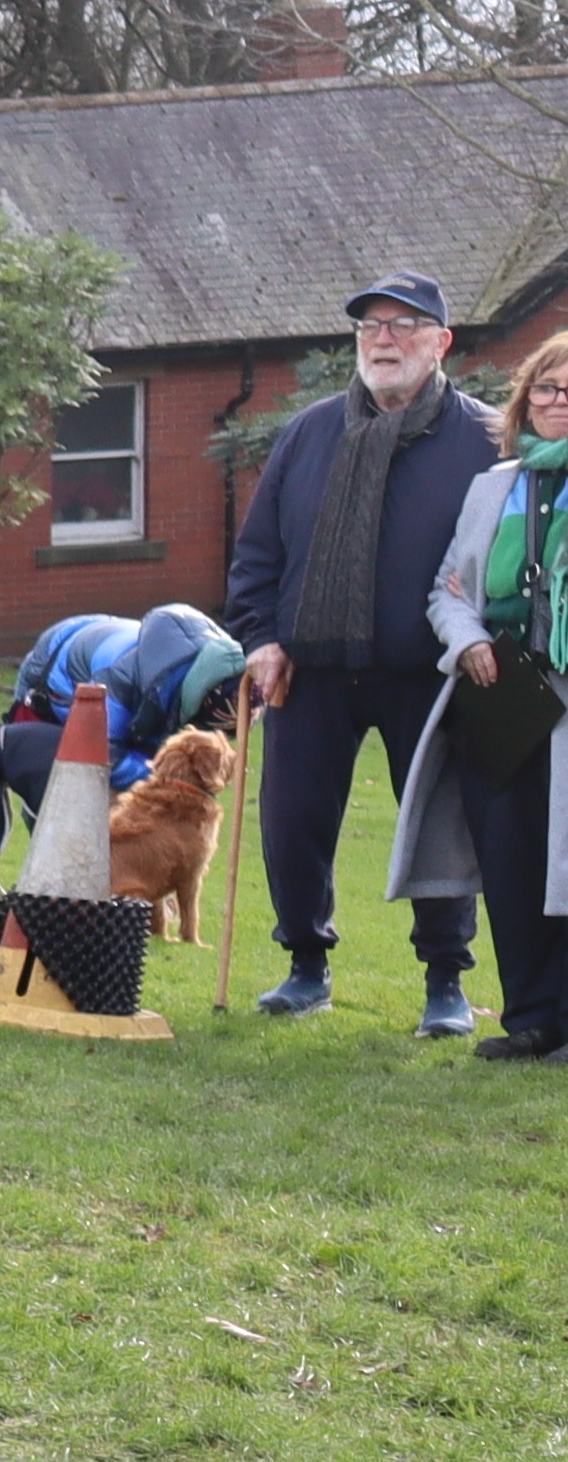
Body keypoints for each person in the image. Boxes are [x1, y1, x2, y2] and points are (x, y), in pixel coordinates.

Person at [225, 272, 499, 1030]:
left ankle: (446, 982)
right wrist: (261, 637)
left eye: (405, 326)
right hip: (309, 669)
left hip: (429, 673)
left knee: (441, 825)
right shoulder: (309, 433)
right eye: (371, 327)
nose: (385, 340)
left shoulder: (483, 440)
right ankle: (305, 965)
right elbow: (259, 555)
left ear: (441, 344)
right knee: (293, 820)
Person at [385, 323, 568, 1060]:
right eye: (547, 390)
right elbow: (448, 590)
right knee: (511, 860)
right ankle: (530, 1020)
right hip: (501, 697)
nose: (558, 403)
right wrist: (468, 641)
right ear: (525, 403)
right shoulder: (495, 487)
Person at [0, 604, 244, 896]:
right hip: (51, 680)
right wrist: (161, 778)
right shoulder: (125, 682)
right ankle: (66, 887)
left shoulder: (193, 676)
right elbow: (107, 752)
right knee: (77, 795)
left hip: (89, 650)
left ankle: (94, 886)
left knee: (104, 798)